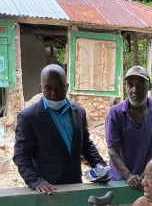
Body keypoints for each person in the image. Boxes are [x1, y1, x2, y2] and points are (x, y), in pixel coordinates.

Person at [13, 64, 106, 195]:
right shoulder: (29, 117)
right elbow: (21, 156)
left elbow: (85, 145)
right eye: (48, 88)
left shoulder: (79, 112)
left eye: (59, 87)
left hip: (75, 187)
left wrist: (99, 165)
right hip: (47, 192)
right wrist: (35, 181)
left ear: (67, 87)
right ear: (41, 88)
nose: (54, 93)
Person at [105, 66, 152, 189]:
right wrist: (128, 176)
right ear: (125, 87)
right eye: (130, 84)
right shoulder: (115, 113)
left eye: (141, 84)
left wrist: (145, 175)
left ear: (150, 86)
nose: (135, 90)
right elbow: (112, 150)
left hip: (147, 181)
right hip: (119, 180)